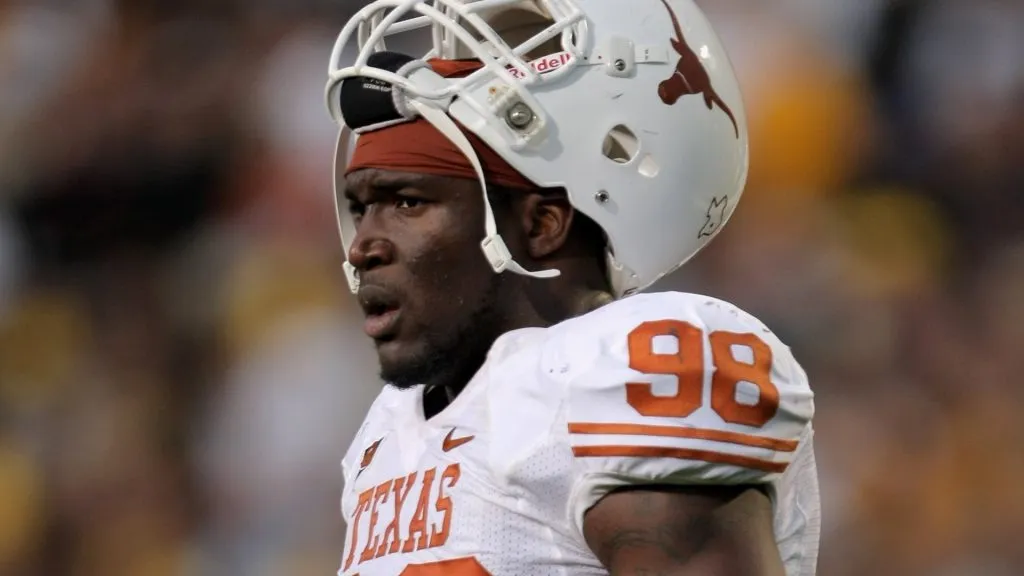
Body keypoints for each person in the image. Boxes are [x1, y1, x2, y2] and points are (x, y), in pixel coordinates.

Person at [324, 1, 819, 575]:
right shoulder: (387, 434)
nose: (363, 247)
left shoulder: (627, 368)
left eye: (407, 203)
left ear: (541, 225)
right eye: (361, 209)